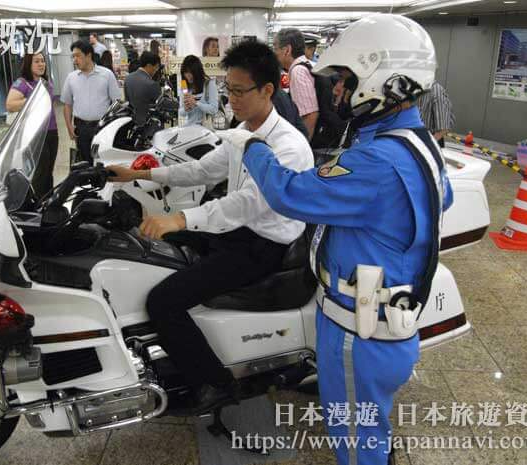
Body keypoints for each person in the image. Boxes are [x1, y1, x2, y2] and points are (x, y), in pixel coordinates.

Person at [218, 14, 453, 465]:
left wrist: (254, 146)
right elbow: (434, 200)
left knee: (352, 437)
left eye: (346, 80)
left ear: (384, 79)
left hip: (357, 330)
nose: (337, 91)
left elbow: (290, 193)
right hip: (385, 323)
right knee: (370, 427)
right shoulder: (415, 142)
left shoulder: (379, 161)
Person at [105, 40, 314, 410]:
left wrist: (180, 218)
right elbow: (202, 169)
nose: (231, 98)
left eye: (238, 91)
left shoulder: (289, 146)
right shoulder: (243, 130)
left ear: (268, 90)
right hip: (236, 233)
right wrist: (140, 173)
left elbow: (247, 204)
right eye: (228, 89)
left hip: (263, 247)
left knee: (163, 300)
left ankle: (214, 384)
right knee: (151, 251)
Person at [5, 52, 58, 199]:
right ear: (28, 64)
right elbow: (10, 104)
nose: (41, 64)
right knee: (40, 173)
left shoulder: (45, 82)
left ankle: (49, 201)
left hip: (52, 131)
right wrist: (33, 99)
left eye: (42, 61)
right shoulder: (22, 83)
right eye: (36, 61)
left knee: (48, 171)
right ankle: (40, 204)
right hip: (35, 134)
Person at [61, 40, 121, 165]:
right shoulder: (71, 78)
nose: (75, 60)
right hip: (81, 128)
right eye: (73, 56)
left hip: (102, 126)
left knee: (103, 161)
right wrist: (69, 127)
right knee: (85, 162)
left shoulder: (107, 75)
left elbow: (117, 103)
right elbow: (67, 105)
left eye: (78, 56)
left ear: (88, 55)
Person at [274, 28, 319, 141]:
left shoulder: (297, 71)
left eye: (276, 48)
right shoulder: (308, 64)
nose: (275, 53)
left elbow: (310, 116)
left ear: (287, 50)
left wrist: (302, 147)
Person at [123, 51, 162, 126]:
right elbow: (160, 105)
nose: (156, 70)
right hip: (149, 124)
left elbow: (127, 101)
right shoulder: (151, 84)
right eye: (156, 67)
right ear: (149, 65)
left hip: (132, 122)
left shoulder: (128, 78)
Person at [179, 55, 218, 127]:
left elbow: (214, 109)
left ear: (197, 72)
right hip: (190, 128)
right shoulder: (185, 87)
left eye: (190, 72)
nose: (188, 75)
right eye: (185, 72)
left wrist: (196, 103)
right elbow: (181, 112)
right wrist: (186, 108)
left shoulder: (209, 84)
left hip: (205, 130)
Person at [417, 80, 455, 148]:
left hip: (432, 141)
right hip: (421, 139)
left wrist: (427, 146)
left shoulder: (437, 92)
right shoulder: (421, 90)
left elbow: (443, 129)